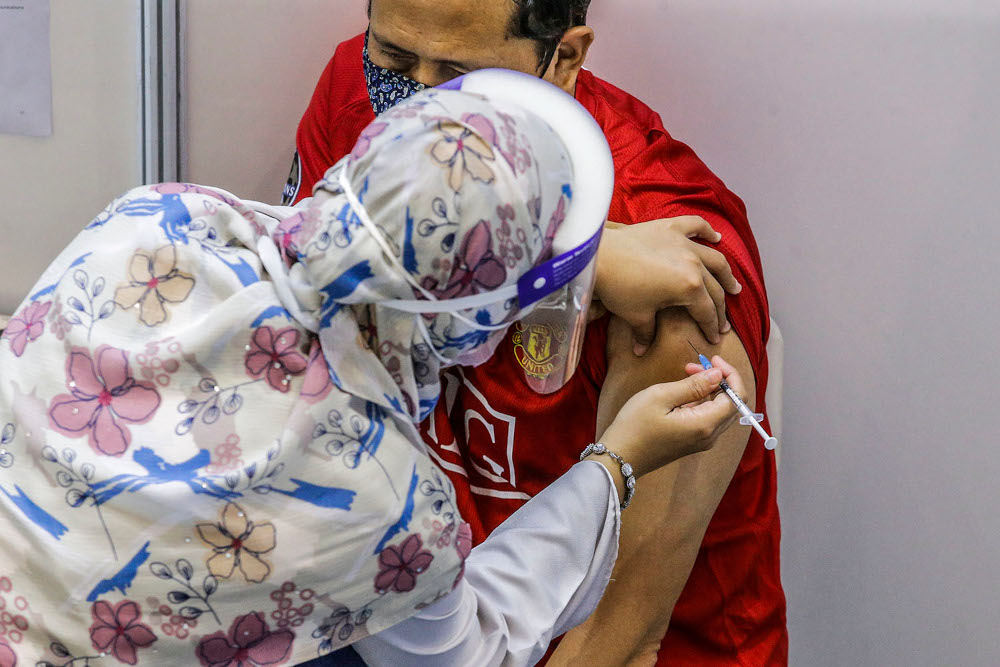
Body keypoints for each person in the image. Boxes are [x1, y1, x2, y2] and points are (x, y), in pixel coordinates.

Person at [0, 79, 746, 666]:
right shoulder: (379, 496)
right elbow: (471, 650)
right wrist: (617, 464)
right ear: (483, 315)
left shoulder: (154, 218)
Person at [286, 2, 786, 665]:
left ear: (565, 60)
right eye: (397, 63)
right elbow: (304, 321)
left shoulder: (672, 281)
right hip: (422, 598)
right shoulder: (358, 93)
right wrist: (577, 254)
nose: (413, 113)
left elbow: (620, 638)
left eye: (459, 75)